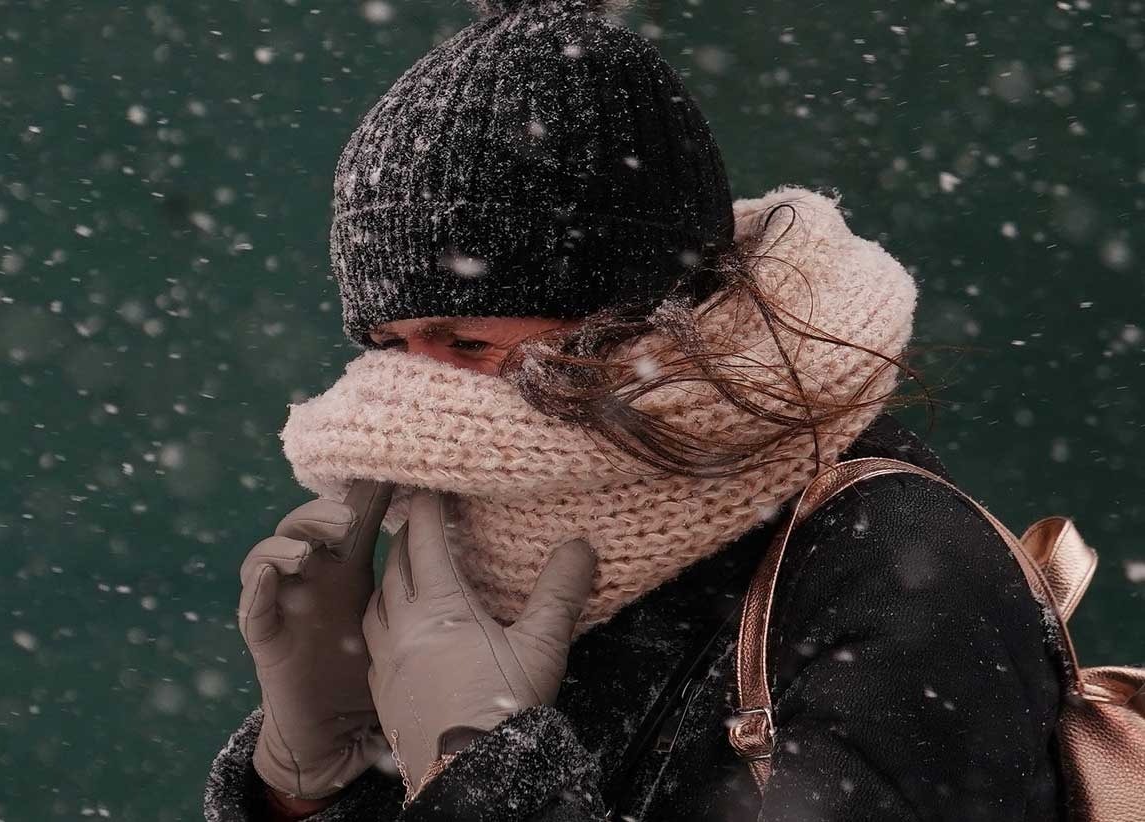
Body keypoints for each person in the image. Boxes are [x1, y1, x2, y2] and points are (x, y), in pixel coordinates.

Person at [204, 0, 1068, 819]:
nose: (409, 404)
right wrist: (313, 784)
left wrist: (486, 773)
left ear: (634, 318)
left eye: (466, 343)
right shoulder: (491, 552)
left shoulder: (899, 571)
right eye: (389, 348)